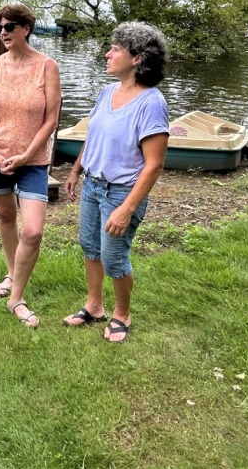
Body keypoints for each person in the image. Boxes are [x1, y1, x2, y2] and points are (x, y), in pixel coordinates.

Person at [63, 21, 169, 343]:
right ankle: (94, 306)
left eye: (115, 49)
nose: (108, 54)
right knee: (89, 246)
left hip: (121, 192)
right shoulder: (108, 91)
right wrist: (76, 170)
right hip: (93, 184)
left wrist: (126, 208)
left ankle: (122, 313)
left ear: (136, 58)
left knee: (113, 257)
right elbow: (94, 135)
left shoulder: (152, 103)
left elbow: (153, 165)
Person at [0, 3, 61, 328]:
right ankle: (12, 274)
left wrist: (27, 154)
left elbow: (52, 119)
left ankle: (17, 298)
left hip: (34, 160)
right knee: (5, 215)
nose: (3, 33)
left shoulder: (46, 67)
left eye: (9, 27)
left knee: (34, 230)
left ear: (26, 28)